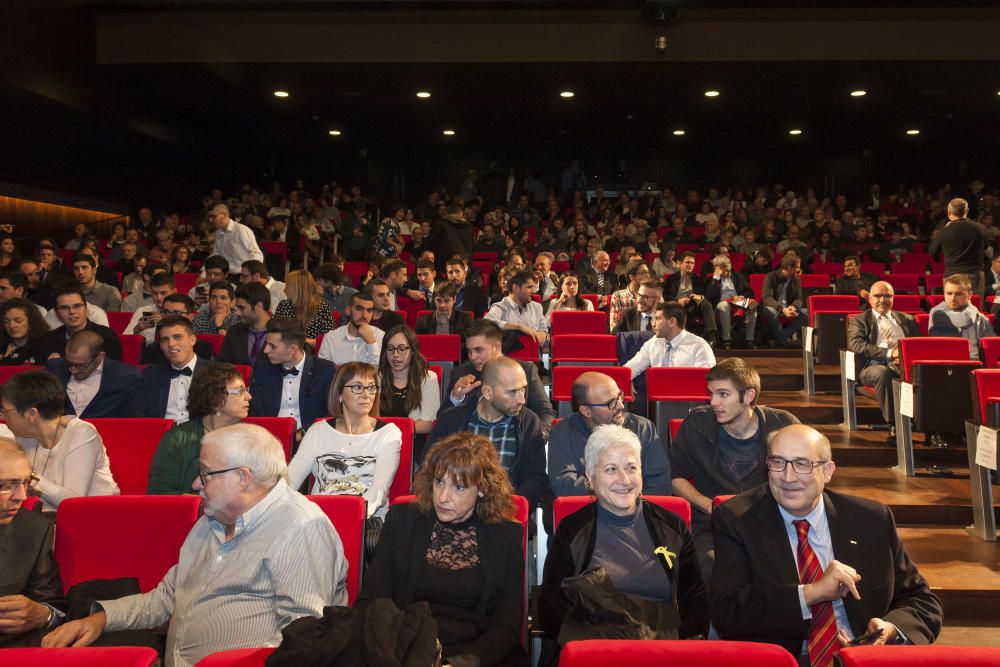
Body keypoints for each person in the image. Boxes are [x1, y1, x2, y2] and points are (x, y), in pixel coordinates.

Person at [44, 424, 349, 667]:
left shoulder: (299, 527)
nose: (195, 484)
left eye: (205, 473)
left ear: (243, 477)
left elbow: (304, 639)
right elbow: (166, 599)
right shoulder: (211, 522)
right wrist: (100, 619)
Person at [711, 424, 943, 662]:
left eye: (802, 464)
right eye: (778, 462)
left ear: (828, 471)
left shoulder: (871, 520)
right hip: (785, 659)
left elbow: (922, 601)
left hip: (863, 658)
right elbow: (727, 612)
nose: (788, 477)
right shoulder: (737, 519)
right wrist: (811, 593)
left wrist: (889, 630)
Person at [357, 432, 527, 667]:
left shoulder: (505, 536)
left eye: (458, 487)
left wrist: (461, 664)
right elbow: (372, 601)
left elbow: (506, 624)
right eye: (439, 482)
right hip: (405, 647)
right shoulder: (403, 521)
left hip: (475, 654)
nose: (443, 497)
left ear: (482, 489)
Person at [539, 424, 708, 645]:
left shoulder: (671, 526)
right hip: (599, 646)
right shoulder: (572, 530)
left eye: (631, 468)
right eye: (611, 469)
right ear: (590, 477)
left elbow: (696, 603)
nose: (625, 480)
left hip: (662, 646)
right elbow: (551, 611)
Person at [671, 358, 799, 581]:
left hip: (771, 521)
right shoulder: (696, 425)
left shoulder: (784, 425)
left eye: (723, 394)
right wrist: (709, 506)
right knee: (709, 567)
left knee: (778, 570)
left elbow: (805, 474)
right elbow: (675, 477)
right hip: (713, 525)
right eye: (711, 393)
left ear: (748, 396)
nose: (713, 402)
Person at [428, 356, 547, 511]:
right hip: (452, 509)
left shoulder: (529, 423)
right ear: (487, 392)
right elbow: (428, 469)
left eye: (523, 389)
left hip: (503, 513)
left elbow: (535, 478)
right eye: (512, 392)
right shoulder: (451, 421)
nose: (521, 399)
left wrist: (511, 509)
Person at [288, 362, 402, 521]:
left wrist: (349, 518)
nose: (366, 394)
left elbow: (378, 491)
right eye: (357, 387)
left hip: (365, 520)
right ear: (340, 393)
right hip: (319, 518)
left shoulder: (388, 433)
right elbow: (290, 481)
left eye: (371, 387)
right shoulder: (318, 430)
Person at [1, 370, 118, 511]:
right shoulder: (23, 434)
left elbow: (73, 502)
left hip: (94, 516)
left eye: (6, 412)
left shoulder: (81, 433)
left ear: (31, 414)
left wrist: (29, 478)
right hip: (44, 519)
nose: (3, 417)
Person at [548, 371, 670, 496]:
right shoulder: (563, 433)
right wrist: (613, 494)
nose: (621, 405)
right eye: (611, 403)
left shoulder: (643, 428)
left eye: (620, 396)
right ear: (586, 411)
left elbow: (659, 482)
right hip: (589, 512)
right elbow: (564, 484)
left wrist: (633, 505)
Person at [0, 439, 68, 647]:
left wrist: (43, 615)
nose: (21, 496)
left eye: (26, 482)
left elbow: (53, 605)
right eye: (5, 485)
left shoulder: (33, 530)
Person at [147, 364, 252, 495]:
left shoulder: (253, 439)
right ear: (216, 399)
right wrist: (202, 504)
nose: (249, 396)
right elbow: (159, 493)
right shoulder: (178, 439)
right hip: (190, 514)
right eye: (240, 391)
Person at [444, 319, 556, 431]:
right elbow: (442, 420)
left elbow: (546, 413)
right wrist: (456, 398)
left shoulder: (524, 370)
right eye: (469, 351)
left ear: (497, 347)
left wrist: (537, 439)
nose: (472, 357)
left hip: (515, 441)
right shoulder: (460, 374)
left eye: (478, 350)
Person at [847, 281, 919, 443]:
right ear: (870, 299)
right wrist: (890, 353)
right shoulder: (859, 320)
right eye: (878, 296)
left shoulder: (907, 319)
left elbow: (918, 343)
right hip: (871, 367)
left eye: (887, 296)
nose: (882, 300)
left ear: (893, 298)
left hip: (904, 366)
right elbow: (857, 345)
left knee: (927, 374)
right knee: (883, 373)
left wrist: (906, 356)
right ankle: (894, 425)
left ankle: (931, 428)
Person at [249, 317, 335, 435]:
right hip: (270, 437)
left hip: (311, 437)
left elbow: (332, 413)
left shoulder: (324, 370)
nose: (265, 350)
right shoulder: (263, 370)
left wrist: (304, 433)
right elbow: (255, 411)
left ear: (292, 349)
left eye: (272, 346)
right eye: (266, 343)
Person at [46, 331, 143, 418]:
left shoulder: (126, 376)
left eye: (81, 365)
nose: (73, 370)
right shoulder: (55, 368)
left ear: (100, 357)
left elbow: (134, 420)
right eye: (69, 362)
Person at [141, 316, 214, 422]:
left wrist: (217, 415)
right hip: (161, 435)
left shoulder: (216, 372)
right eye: (165, 340)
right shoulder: (151, 374)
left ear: (192, 340)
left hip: (204, 435)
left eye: (177, 337)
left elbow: (222, 411)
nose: (171, 344)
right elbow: (141, 414)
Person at [625, 301, 716, 380]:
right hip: (657, 398)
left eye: (657, 319)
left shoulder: (700, 347)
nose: (653, 324)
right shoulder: (653, 343)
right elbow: (630, 369)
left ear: (672, 322)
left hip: (687, 398)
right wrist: (625, 381)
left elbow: (705, 381)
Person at [377, 325, 440, 435]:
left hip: (412, 440)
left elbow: (428, 424)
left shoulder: (428, 378)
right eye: (390, 349)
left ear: (412, 351)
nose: (395, 354)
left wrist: (390, 431)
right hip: (379, 441)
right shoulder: (376, 378)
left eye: (402, 349)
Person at [929, 197, 987, 301]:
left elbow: (933, 252)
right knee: (975, 308)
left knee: (953, 308)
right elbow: (986, 247)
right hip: (974, 274)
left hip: (952, 274)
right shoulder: (979, 228)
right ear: (967, 211)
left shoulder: (943, 231)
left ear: (949, 212)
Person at [43, 287, 122, 361]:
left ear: (86, 309)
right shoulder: (48, 340)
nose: (72, 312)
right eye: (64, 308)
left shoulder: (106, 337)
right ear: (57, 313)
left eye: (77, 306)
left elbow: (113, 370)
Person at [929, 273, 994, 361]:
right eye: (949, 293)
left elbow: (992, 343)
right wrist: (972, 307)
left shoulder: (979, 317)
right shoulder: (937, 312)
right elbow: (965, 319)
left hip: (975, 363)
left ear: (970, 295)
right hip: (946, 363)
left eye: (958, 294)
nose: (952, 298)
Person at [662, 252, 718, 346]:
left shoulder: (697, 278)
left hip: (693, 303)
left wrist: (700, 297)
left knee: (706, 304)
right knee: (686, 309)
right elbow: (667, 296)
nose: (690, 265)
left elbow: (705, 293)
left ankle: (712, 337)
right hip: (678, 304)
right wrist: (678, 301)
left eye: (692, 263)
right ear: (680, 263)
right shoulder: (672, 278)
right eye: (687, 262)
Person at [704, 255, 758, 349]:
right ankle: (726, 340)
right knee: (724, 305)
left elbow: (750, 291)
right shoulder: (711, 279)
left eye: (717, 266)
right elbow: (709, 296)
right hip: (721, 305)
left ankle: (750, 340)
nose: (714, 268)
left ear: (724, 267)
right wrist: (716, 278)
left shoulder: (737, 276)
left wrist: (741, 296)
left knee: (753, 305)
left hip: (737, 303)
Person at [318, 291, 385, 366]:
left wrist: (371, 341)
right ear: (348, 310)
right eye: (359, 309)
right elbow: (324, 372)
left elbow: (379, 371)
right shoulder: (331, 338)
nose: (365, 315)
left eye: (369, 310)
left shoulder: (380, 336)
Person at [485, 270, 548, 348]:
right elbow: (487, 322)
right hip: (508, 358)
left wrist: (543, 334)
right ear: (516, 288)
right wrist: (519, 327)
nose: (533, 291)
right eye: (529, 287)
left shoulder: (537, 307)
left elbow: (544, 329)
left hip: (533, 357)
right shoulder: (500, 307)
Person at [274, 269, 337, 345]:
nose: (284, 290)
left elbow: (329, 338)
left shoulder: (322, 308)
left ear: (297, 289)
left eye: (287, 286)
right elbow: (274, 332)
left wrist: (312, 342)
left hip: (311, 353)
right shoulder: (284, 305)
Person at [217, 282, 271, 366]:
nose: (237, 313)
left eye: (241, 308)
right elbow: (222, 366)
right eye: (237, 308)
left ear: (259, 306)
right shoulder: (234, 332)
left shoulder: (282, 332)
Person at [760, 255, 809, 348]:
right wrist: (782, 309)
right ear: (789, 267)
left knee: (807, 313)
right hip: (775, 307)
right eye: (797, 267)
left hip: (789, 307)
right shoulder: (771, 276)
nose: (799, 269)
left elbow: (799, 298)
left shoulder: (796, 279)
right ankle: (784, 340)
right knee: (768, 310)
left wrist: (793, 307)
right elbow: (766, 298)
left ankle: (781, 339)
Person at [209, 204, 264, 280]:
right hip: (228, 276)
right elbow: (216, 255)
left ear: (224, 215)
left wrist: (252, 275)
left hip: (244, 275)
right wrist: (203, 273)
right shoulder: (218, 233)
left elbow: (256, 253)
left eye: (214, 216)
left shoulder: (241, 230)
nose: (211, 220)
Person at [124, 272, 176, 343]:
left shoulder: (181, 311)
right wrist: (136, 330)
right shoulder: (143, 311)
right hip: (145, 351)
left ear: (174, 292)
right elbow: (125, 339)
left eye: (163, 293)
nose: (159, 298)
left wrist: (163, 323)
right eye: (155, 293)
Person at [0, 298, 49, 366]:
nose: (11, 325)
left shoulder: (43, 346)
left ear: (31, 322)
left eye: (18, 321)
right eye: (6, 321)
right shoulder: (2, 344)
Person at [607, 258, 651, 333]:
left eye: (648, 272)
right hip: (628, 340)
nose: (647, 276)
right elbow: (614, 326)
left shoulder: (653, 294)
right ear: (632, 277)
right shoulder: (618, 296)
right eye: (643, 273)